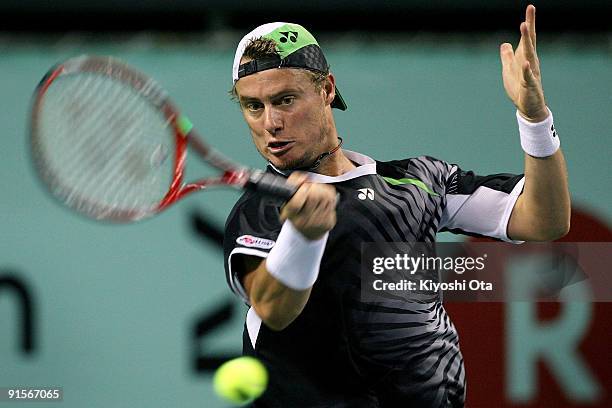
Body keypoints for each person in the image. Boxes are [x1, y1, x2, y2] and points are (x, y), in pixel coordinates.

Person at [222, 5, 570, 407]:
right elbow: (272, 308)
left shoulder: (418, 180)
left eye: (284, 100)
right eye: (254, 106)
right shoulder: (262, 208)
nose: (271, 123)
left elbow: (545, 220)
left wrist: (534, 118)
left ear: (326, 90)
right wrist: (303, 234)